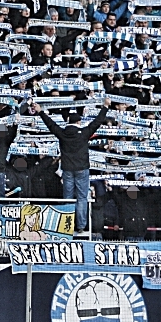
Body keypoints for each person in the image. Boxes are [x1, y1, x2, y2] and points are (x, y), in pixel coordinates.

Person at [30, 100, 109, 237]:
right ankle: (81, 226)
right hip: (82, 169)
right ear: (78, 122)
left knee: (68, 197)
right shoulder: (84, 132)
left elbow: (50, 124)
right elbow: (97, 122)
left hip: (67, 170)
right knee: (82, 198)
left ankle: (68, 224)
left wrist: (40, 111)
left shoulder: (62, 133)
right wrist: (105, 107)